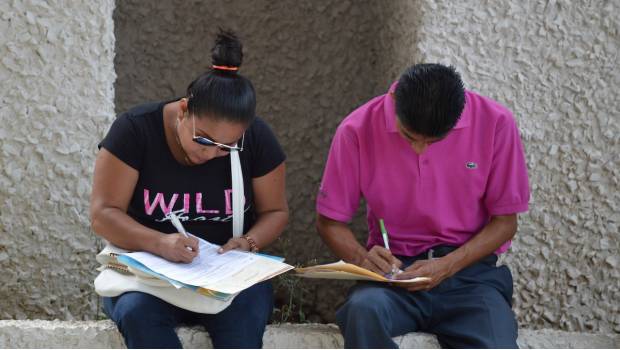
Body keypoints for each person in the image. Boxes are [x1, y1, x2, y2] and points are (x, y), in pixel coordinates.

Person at [90, 30, 288, 348]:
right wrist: (159, 242)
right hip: (149, 278)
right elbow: (103, 214)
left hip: (227, 280)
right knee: (138, 314)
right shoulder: (135, 131)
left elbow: (275, 212)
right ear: (183, 110)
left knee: (244, 321)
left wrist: (249, 242)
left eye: (227, 147)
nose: (210, 154)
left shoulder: (258, 139)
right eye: (204, 140)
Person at [316, 63, 529, 348]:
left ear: (460, 113)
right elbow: (329, 221)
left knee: (496, 343)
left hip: (470, 276)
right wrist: (361, 258)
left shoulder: (496, 123)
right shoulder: (356, 129)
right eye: (408, 137)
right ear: (393, 102)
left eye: (435, 141)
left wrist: (447, 265)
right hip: (394, 273)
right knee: (363, 312)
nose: (419, 149)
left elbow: (506, 222)